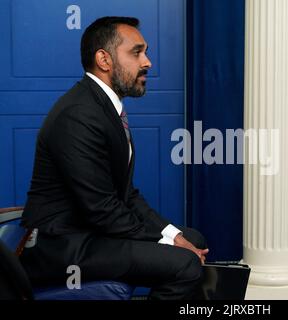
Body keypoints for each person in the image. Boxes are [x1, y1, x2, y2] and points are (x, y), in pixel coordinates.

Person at [19, 16, 209, 300]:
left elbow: (126, 195)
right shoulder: (79, 114)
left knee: (192, 238)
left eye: (145, 52)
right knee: (185, 263)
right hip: (63, 246)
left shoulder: (105, 107)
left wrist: (173, 234)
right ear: (104, 60)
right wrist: (166, 241)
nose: (147, 62)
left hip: (90, 234)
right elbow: (101, 209)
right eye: (137, 52)